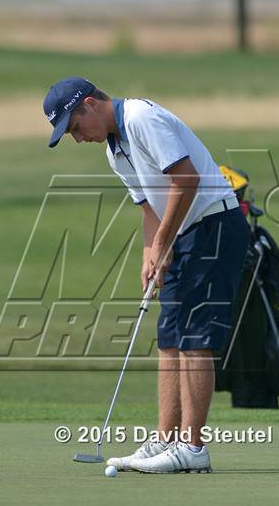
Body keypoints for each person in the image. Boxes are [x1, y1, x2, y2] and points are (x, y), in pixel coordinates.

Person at [43, 76, 250, 473]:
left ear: (89, 104)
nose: (77, 137)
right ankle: (165, 438)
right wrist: (149, 253)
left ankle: (192, 447)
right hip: (184, 232)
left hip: (214, 227)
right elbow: (149, 208)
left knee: (194, 339)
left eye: (74, 126)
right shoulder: (114, 151)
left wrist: (165, 242)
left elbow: (185, 180)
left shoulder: (140, 117)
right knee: (170, 338)